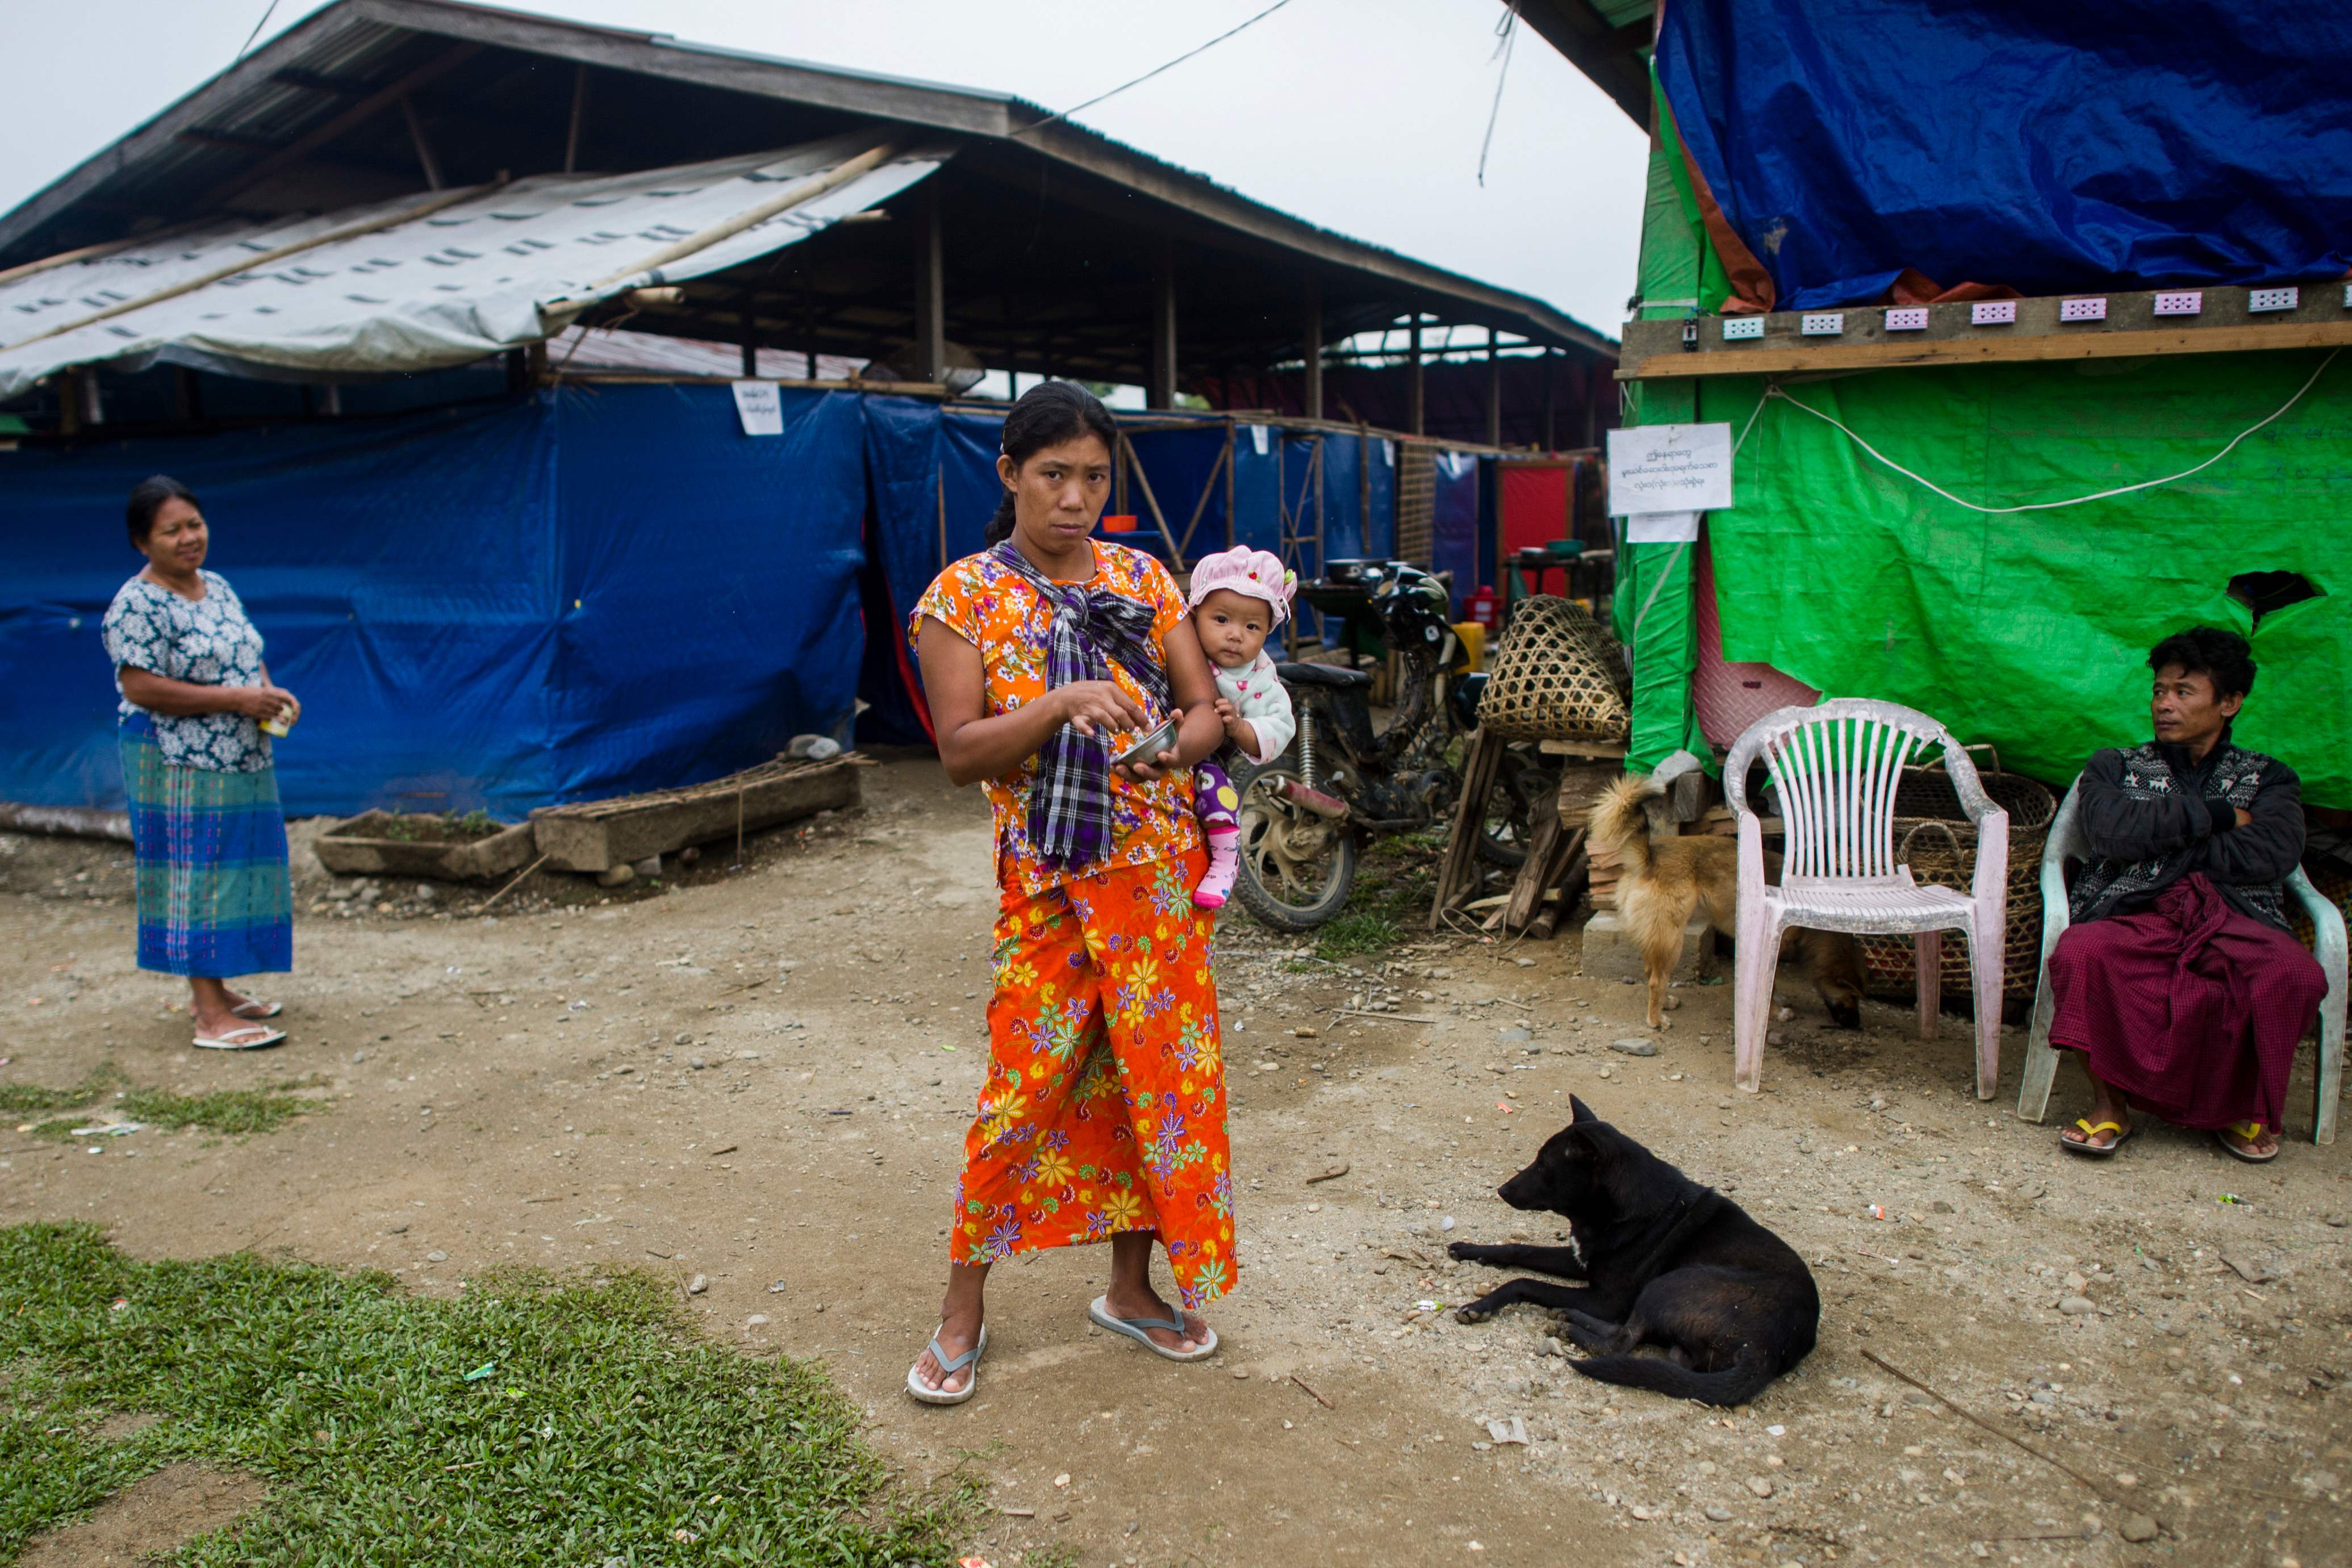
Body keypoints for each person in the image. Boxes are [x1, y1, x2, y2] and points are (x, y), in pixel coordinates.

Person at [905, 381, 1234, 1405]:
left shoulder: (1144, 577)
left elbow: (1203, 710)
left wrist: (1167, 749)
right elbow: (959, 754)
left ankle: (1131, 1291)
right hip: (1047, 887)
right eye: (1053, 475)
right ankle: (962, 1313)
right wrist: (1056, 704)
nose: (1075, 497)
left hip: (1154, 883)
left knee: (1156, 1089)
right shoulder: (959, 598)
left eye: (1094, 477)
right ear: (1009, 476)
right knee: (1020, 1093)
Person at [2048, 626, 2326, 1164]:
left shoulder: (2269, 778)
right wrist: (2221, 817)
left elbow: (2270, 853)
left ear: (2228, 702)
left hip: (2236, 916)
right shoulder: (2115, 765)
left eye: (2182, 691)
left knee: (2293, 975)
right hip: (2133, 909)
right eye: (2158, 691)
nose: (2164, 705)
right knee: (2083, 954)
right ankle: (2110, 1105)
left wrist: (2160, 837)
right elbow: (2109, 833)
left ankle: (2239, 1107)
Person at [101, 475, 297, 1051]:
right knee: (196, 872)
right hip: (176, 758)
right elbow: (139, 685)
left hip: (239, 753)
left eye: (195, 524)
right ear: (143, 542)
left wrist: (270, 694)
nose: (189, 538)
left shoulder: (216, 586)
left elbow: (247, 655)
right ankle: (210, 1014)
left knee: (238, 866)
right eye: (172, 530)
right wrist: (238, 699)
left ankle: (217, 988)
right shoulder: (136, 603)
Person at [1183, 545, 1298, 910]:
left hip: (1208, 759)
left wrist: (1238, 726)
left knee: (1217, 794)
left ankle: (1225, 858)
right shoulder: (1179, 643)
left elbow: (1279, 725)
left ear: (1268, 631)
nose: (1236, 635)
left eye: (1252, 627)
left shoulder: (1258, 674)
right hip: (1162, 743)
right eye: (1222, 620)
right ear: (1194, 613)